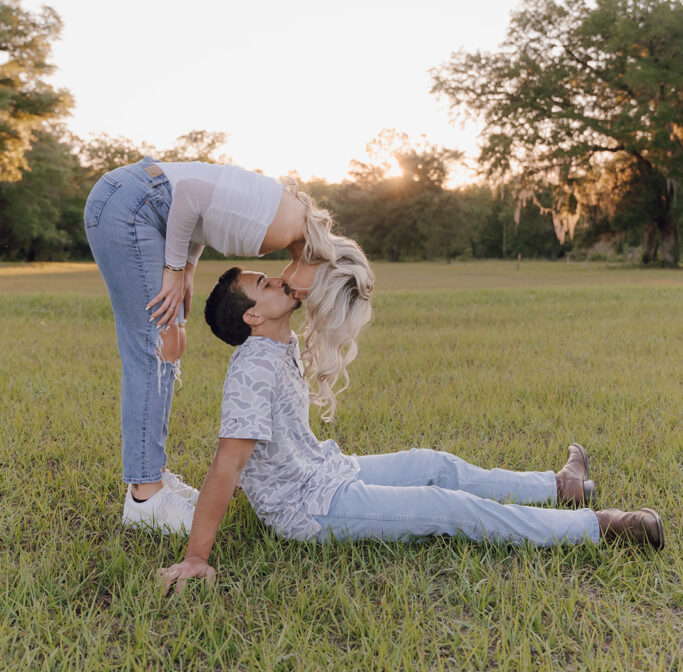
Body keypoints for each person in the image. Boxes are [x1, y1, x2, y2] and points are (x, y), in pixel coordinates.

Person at [157, 267, 664, 593]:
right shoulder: (251, 369)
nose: (278, 280)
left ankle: (559, 486)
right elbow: (228, 463)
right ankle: (597, 526)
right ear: (251, 314)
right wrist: (196, 557)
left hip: (328, 471)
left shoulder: (279, 342)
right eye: (264, 284)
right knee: (446, 508)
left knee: (434, 464)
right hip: (307, 508)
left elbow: (318, 267)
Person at [83, 158, 373, 533]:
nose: (301, 295)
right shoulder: (280, 229)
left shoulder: (289, 225)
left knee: (171, 344)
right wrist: (173, 268)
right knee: (153, 346)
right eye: (316, 291)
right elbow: (187, 194)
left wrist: (186, 267)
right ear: (326, 267)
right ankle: (144, 496)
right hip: (131, 206)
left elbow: (205, 215)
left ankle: (153, 476)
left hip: (139, 201)